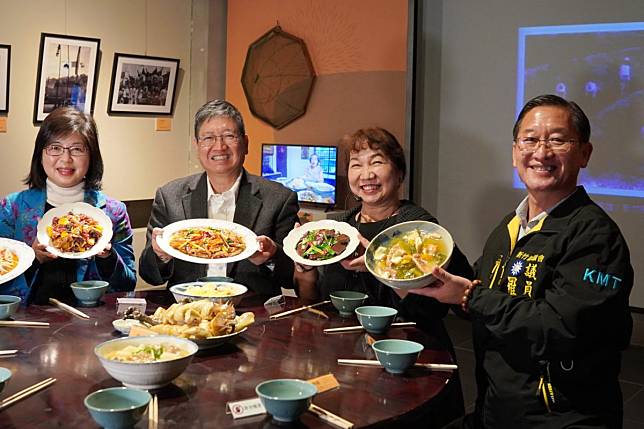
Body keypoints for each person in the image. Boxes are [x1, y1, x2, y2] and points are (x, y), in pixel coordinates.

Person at [412, 95, 633, 428]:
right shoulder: (510, 227)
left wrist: (470, 296)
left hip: (561, 418)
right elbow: (480, 296)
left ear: (584, 153)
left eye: (557, 140)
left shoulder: (595, 235)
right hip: (496, 408)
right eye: (529, 140)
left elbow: (562, 328)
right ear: (515, 152)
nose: (541, 153)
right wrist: (415, 273)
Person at [295, 127, 473, 427]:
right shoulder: (337, 227)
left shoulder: (418, 227)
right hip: (346, 360)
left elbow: (431, 310)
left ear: (399, 172)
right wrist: (305, 267)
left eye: (377, 162)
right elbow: (312, 300)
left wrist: (379, 265)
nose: (367, 174)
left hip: (408, 361)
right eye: (357, 164)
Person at [139, 99, 299, 295]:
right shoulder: (169, 196)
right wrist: (160, 255)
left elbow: (294, 277)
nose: (219, 146)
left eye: (229, 136)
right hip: (188, 314)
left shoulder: (279, 199)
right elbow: (149, 276)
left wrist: (271, 256)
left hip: (252, 314)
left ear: (246, 143)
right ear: (197, 146)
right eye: (208, 138)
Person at [0, 107, 137, 304]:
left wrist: (107, 257)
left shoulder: (113, 212)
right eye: (55, 148)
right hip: (28, 325)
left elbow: (128, 285)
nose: (66, 159)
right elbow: (3, 285)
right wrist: (33, 259)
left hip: (92, 325)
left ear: (92, 155)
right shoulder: (11, 208)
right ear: (41, 153)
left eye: (77, 149)